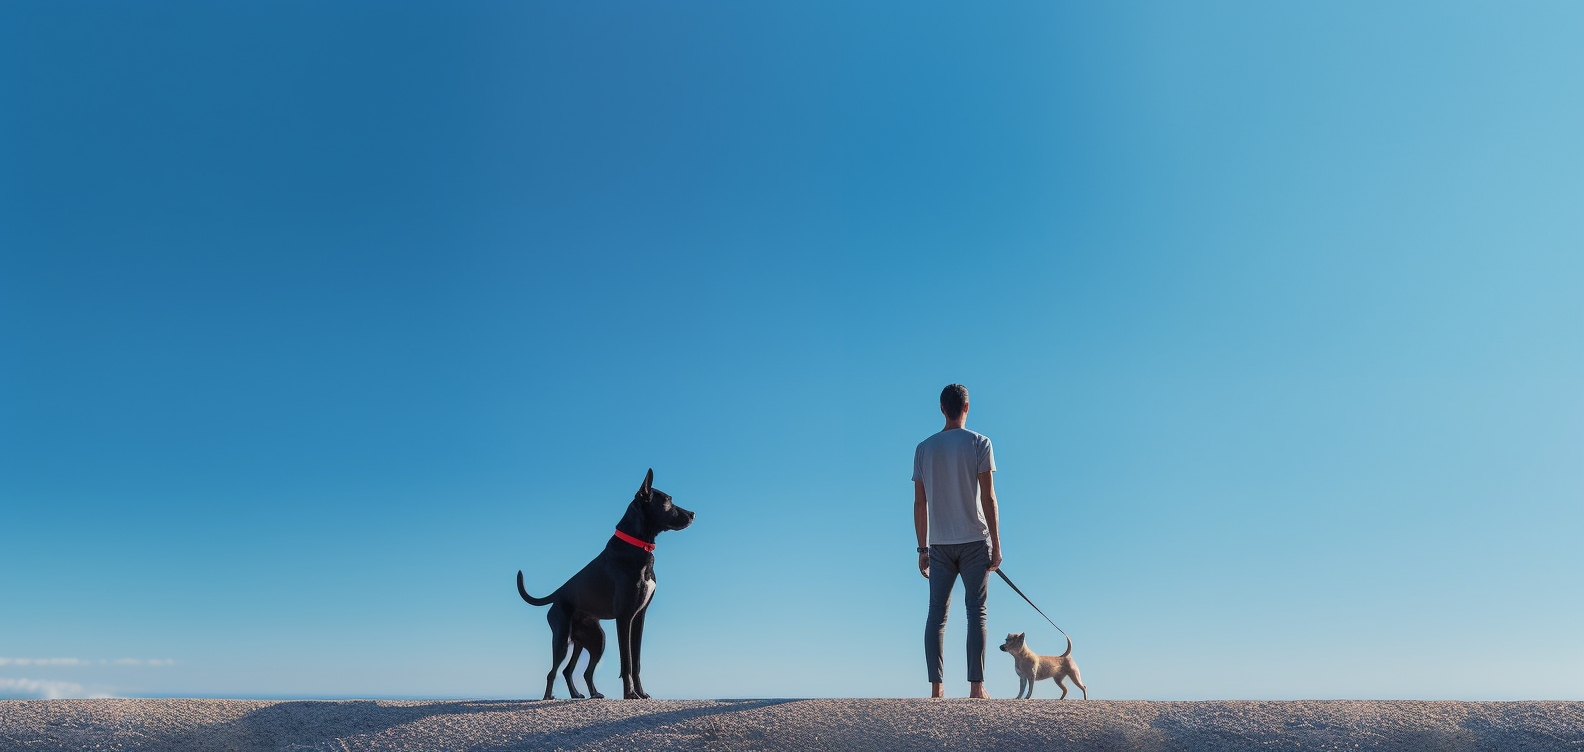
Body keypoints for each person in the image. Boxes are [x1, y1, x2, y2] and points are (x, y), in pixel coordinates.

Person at [913, 383, 1001, 699]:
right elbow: (989, 497)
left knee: (936, 615)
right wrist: (997, 545)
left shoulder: (923, 448)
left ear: (941, 408)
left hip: (938, 543)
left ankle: (937, 689)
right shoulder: (980, 442)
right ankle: (977, 688)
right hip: (975, 540)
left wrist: (922, 548)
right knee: (976, 612)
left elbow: (919, 503)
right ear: (966, 407)